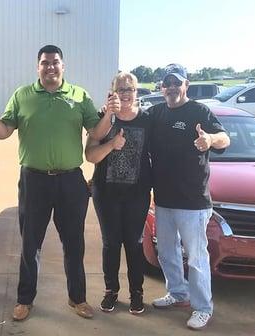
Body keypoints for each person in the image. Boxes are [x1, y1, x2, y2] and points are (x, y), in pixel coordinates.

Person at [0, 44, 116, 321]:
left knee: (74, 244)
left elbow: (96, 130)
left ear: (63, 66)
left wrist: (110, 114)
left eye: (55, 62)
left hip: (71, 182)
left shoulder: (79, 95)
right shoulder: (23, 95)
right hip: (34, 181)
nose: (50, 67)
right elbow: (4, 132)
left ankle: (77, 298)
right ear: (38, 67)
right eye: (45, 62)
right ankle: (24, 300)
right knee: (30, 244)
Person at [148, 64, 230, 330]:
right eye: (167, 83)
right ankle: (178, 293)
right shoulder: (156, 113)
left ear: (186, 85)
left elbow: (224, 138)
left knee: (196, 256)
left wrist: (210, 139)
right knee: (167, 252)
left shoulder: (199, 111)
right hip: (163, 198)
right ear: (161, 87)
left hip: (193, 200)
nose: (171, 87)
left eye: (176, 83)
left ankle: (203, 307)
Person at [85, 72, 151, 315]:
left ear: (136, 92)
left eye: (130, 89)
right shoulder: (102, 118)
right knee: (111, 243)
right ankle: (111, 290)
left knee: (134, 244)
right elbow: (90, 155)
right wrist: (111, 144)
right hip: (106, 192)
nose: (125, 93)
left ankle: (137, 292)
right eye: (120, 89)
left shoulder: (148, 119)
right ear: (112, 93)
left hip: (137, 193)